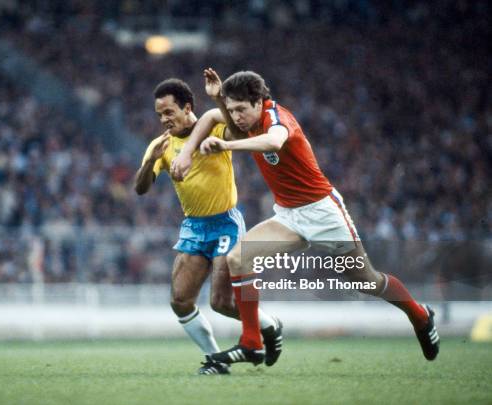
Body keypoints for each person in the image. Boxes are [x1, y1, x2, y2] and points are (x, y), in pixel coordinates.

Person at [171, 69, 439, 365]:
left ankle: (420, 315)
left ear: (259, 102)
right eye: (231, 110)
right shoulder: (243, 117)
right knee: (239, 258)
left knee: (366, 281)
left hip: (323, 213)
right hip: (288, 215)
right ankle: (251, 343)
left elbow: (273, 142)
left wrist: (227, 145)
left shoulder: (277, 118)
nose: (235, 117)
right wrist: (195, 141)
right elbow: (211, 118)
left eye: (241, 110)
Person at [134, 78, 282, 374]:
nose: (164, 120)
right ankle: (215, 359)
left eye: (168, 112)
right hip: (193, 227)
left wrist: (217, 100)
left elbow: (239, 130)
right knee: (180, 301)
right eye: (159, 115)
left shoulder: (213, 128)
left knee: (221, 302)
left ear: (187, 107)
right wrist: (150, 160)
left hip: (225, 222)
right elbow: (141, 188)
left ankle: (270, 326)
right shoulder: (160, 145)